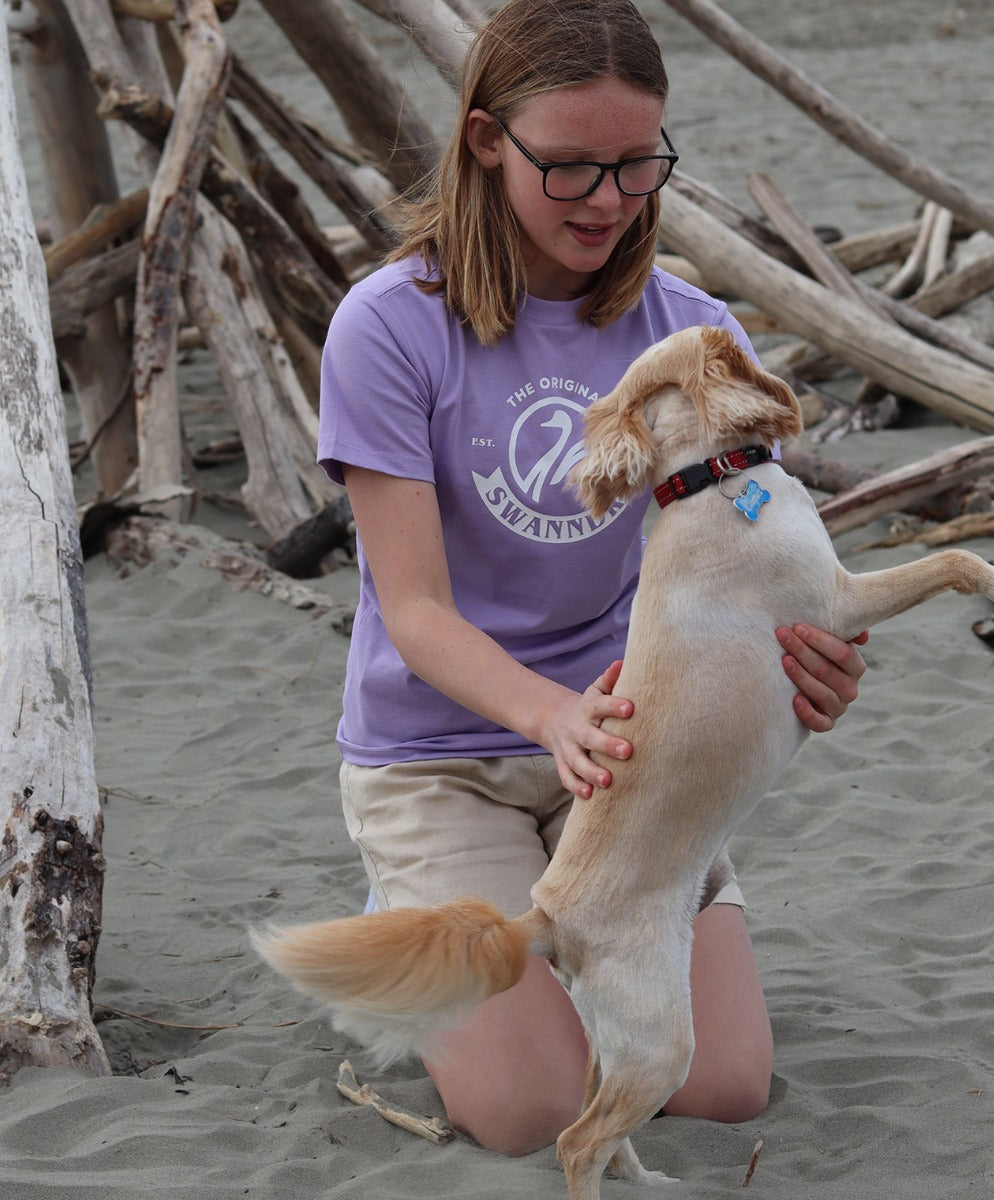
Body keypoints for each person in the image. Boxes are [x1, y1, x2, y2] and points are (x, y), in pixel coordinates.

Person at [317, 0, 866, 1157]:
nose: (610, 201)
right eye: (568, 168)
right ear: (483, 142)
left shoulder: (697, 336)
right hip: (446, 755)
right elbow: (412, 611)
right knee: (531, 1113)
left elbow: (764, 564)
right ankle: (419, 917)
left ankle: (532, 955)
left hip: (627, 759)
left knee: (714, 1088)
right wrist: (547, 712)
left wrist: (813, 670)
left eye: (636, 165)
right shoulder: (388, 327)